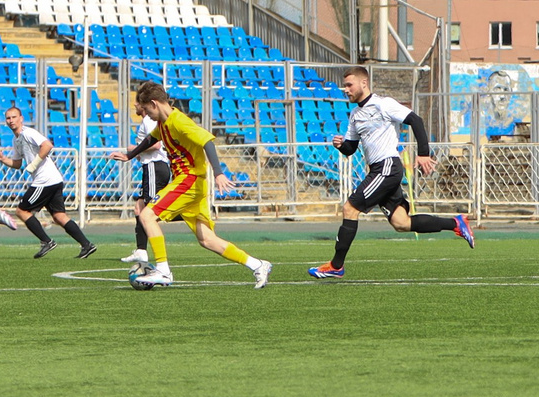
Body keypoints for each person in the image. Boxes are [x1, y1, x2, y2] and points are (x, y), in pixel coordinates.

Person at [309, 67, 473, 278]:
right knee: (401, 223)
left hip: (387, 167)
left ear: (364, 83)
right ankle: (456, 223)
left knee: (350, 209)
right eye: (345, 86)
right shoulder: (355, 115)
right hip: (379, 169)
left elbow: (416, 120)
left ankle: (336, 266)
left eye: (349, 85)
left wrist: (423, 153)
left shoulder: (383, 104)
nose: (346, 90)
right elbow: (350, 148)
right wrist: (340, 145)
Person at [125, 81, 269, 288]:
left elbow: (207, 141)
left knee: (147, 214)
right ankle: (258, 265)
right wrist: (129, 155)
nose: (146, 114)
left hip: (189, 180)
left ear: (154, 104)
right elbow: (149, 140)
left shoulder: (179, 122)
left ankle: (163, 271)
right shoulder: (163, 124)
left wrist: (218, 173)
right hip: (191, 183)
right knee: (207, 240)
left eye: (146, 109)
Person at [0, 104, 97, 259]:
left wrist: (34, 164)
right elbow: (18, 163)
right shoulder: (17, 140)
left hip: (45, 180)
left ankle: (46, 241)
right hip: (54, 179)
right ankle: (86, 245)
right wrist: (3, 159)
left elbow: (47, 145)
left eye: (14, 117)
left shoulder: (28, 133)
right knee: (59, 216)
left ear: (21, 119)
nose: (11, 120)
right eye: (8, 118)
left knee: (22, 211)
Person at [123, 102, 173, 267]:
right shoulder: (147, 121)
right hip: (151, 168)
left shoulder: (149, 121)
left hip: (154, 166)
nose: (134, 105)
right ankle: (141, 250)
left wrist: (134, 148)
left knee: (151, 209)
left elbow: (156, 144)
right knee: (139, 208)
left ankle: (185, 212)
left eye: (137, 103)